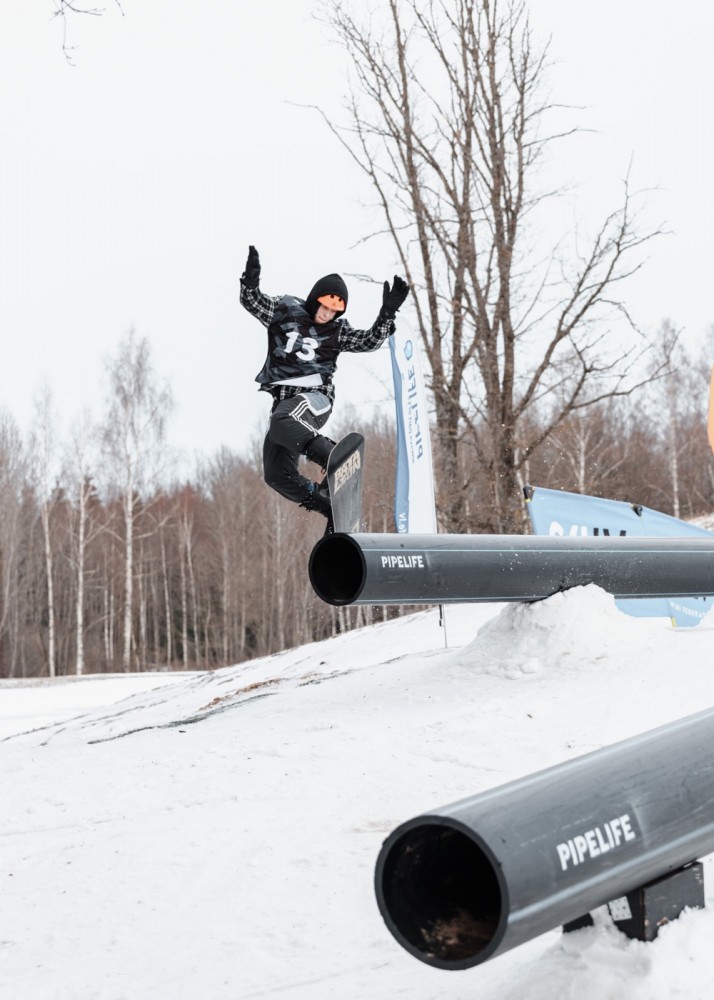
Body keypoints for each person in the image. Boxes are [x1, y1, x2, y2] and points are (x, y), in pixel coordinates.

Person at [239, 244, 410, 529]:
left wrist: (387, 313)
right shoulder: (285, 310)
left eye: (333, 311)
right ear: (314, 300)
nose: (327, 314)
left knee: (282, 420)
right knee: (276, 474)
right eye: (325, 307)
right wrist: (251, 281)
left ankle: (334, 457)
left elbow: (369, 341)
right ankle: (326, 504)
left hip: (316, 398)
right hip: (285, 404)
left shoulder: (337, 331)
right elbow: (253, 302)